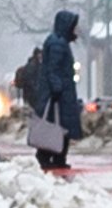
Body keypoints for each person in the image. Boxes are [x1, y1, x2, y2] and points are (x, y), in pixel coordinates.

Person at [35, 9, 83, 173]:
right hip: (60, 94)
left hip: (61, 92)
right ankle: (52, 157)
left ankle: (56, 157)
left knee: (57, 125)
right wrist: (57, 87)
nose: (75, 30)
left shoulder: (58, 42)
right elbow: (53, 69)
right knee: (58, 126)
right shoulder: (58, 44)